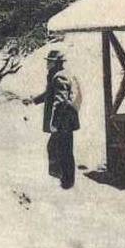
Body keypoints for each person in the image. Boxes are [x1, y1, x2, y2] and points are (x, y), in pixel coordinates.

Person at [32, 49, 81, 189]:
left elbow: (60, 101)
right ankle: (65, 180)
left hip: (62, 122)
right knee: (62, 149)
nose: (47, 64)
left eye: (49, 61)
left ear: (55, 63)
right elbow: (50, 93)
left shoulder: (59, 77)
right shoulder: (59, 75)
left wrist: (55, 123)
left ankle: (65, 182)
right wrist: (34, 100)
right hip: (65, 121)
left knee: (60, 149)